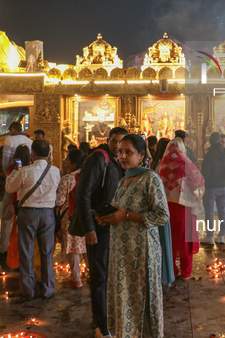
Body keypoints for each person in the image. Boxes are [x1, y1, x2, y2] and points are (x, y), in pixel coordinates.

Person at [96, 134, 170, 338]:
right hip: (121, 252)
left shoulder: (150, 178)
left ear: (141, 155)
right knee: (124, 297)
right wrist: (109, 217)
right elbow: (119, 210)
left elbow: (163, 215)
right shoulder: (124, 180)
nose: (122, 156)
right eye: (120, 152)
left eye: (128, 152)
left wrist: (126, 215)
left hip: (142, 253)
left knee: (140, 299)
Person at [75, 127, 127, 338]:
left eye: (122, 144)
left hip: (114, 227)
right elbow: (83, 194)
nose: (117, 146)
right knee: (99, 276)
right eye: (114, 142)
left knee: (111, 275)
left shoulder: (118, 162)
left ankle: (106, 316)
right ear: (108, 140)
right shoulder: (99, 159)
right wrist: (88, 229)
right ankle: (101, 325)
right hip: (98, 226)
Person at [5, 139, 60, 300]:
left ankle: (28, 290)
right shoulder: (55, 171)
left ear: (33, 153)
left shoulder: (25, 171)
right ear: (48, 153)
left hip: (28, 214)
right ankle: (48, 288)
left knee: (26, 252)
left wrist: (15, 171)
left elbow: (9, 188)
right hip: (48, 214)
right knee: (47, 252)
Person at [159, 137, 204, 280]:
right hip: (185, 209)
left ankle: (172, 271)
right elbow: (198, 184)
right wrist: (197, 199)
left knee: (169, 240)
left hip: (168, 208)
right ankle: (186, 273)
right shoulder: (186, 165)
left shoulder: (162, 166)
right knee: (186, 240)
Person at [0, 122, 33, 262]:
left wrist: (9, 176)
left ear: (14, 129)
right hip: (28, 184)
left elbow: (5, 162)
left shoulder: (10, 140)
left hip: (13, 183)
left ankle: (4, 250)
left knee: (7, 218)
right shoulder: (29, 141)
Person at [55, 148, 87, 288]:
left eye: (67, 159)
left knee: (72, 247)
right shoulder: (87, 176)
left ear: (73, 164)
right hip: (86, 215)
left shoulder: (67, 179)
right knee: (86, 246)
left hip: (69, 217)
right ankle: (94, 274)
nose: (65, 162)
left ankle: (76, 278)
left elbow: (59, 201)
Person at [201, 132, 225, 247]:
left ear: (210, 141)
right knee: (222, 211)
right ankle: (222, 236)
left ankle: (210, 236)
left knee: (209, 212)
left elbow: (205, 173)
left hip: (210, 187)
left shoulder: (209, 155)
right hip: (223, 187)